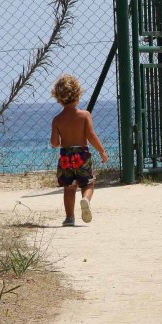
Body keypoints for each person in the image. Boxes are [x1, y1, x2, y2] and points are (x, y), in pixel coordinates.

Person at [50, 74, 108, 226]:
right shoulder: (84, 115)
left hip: (65, 156)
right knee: (88, 183)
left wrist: (60, 141)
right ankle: (85, 199)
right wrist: (101, 151)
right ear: (77, 95)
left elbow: (54, 143)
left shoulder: (57, 119)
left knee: (69, 188)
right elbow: (91, 135)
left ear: (58, 97)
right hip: (81, 155)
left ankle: (69, 218)